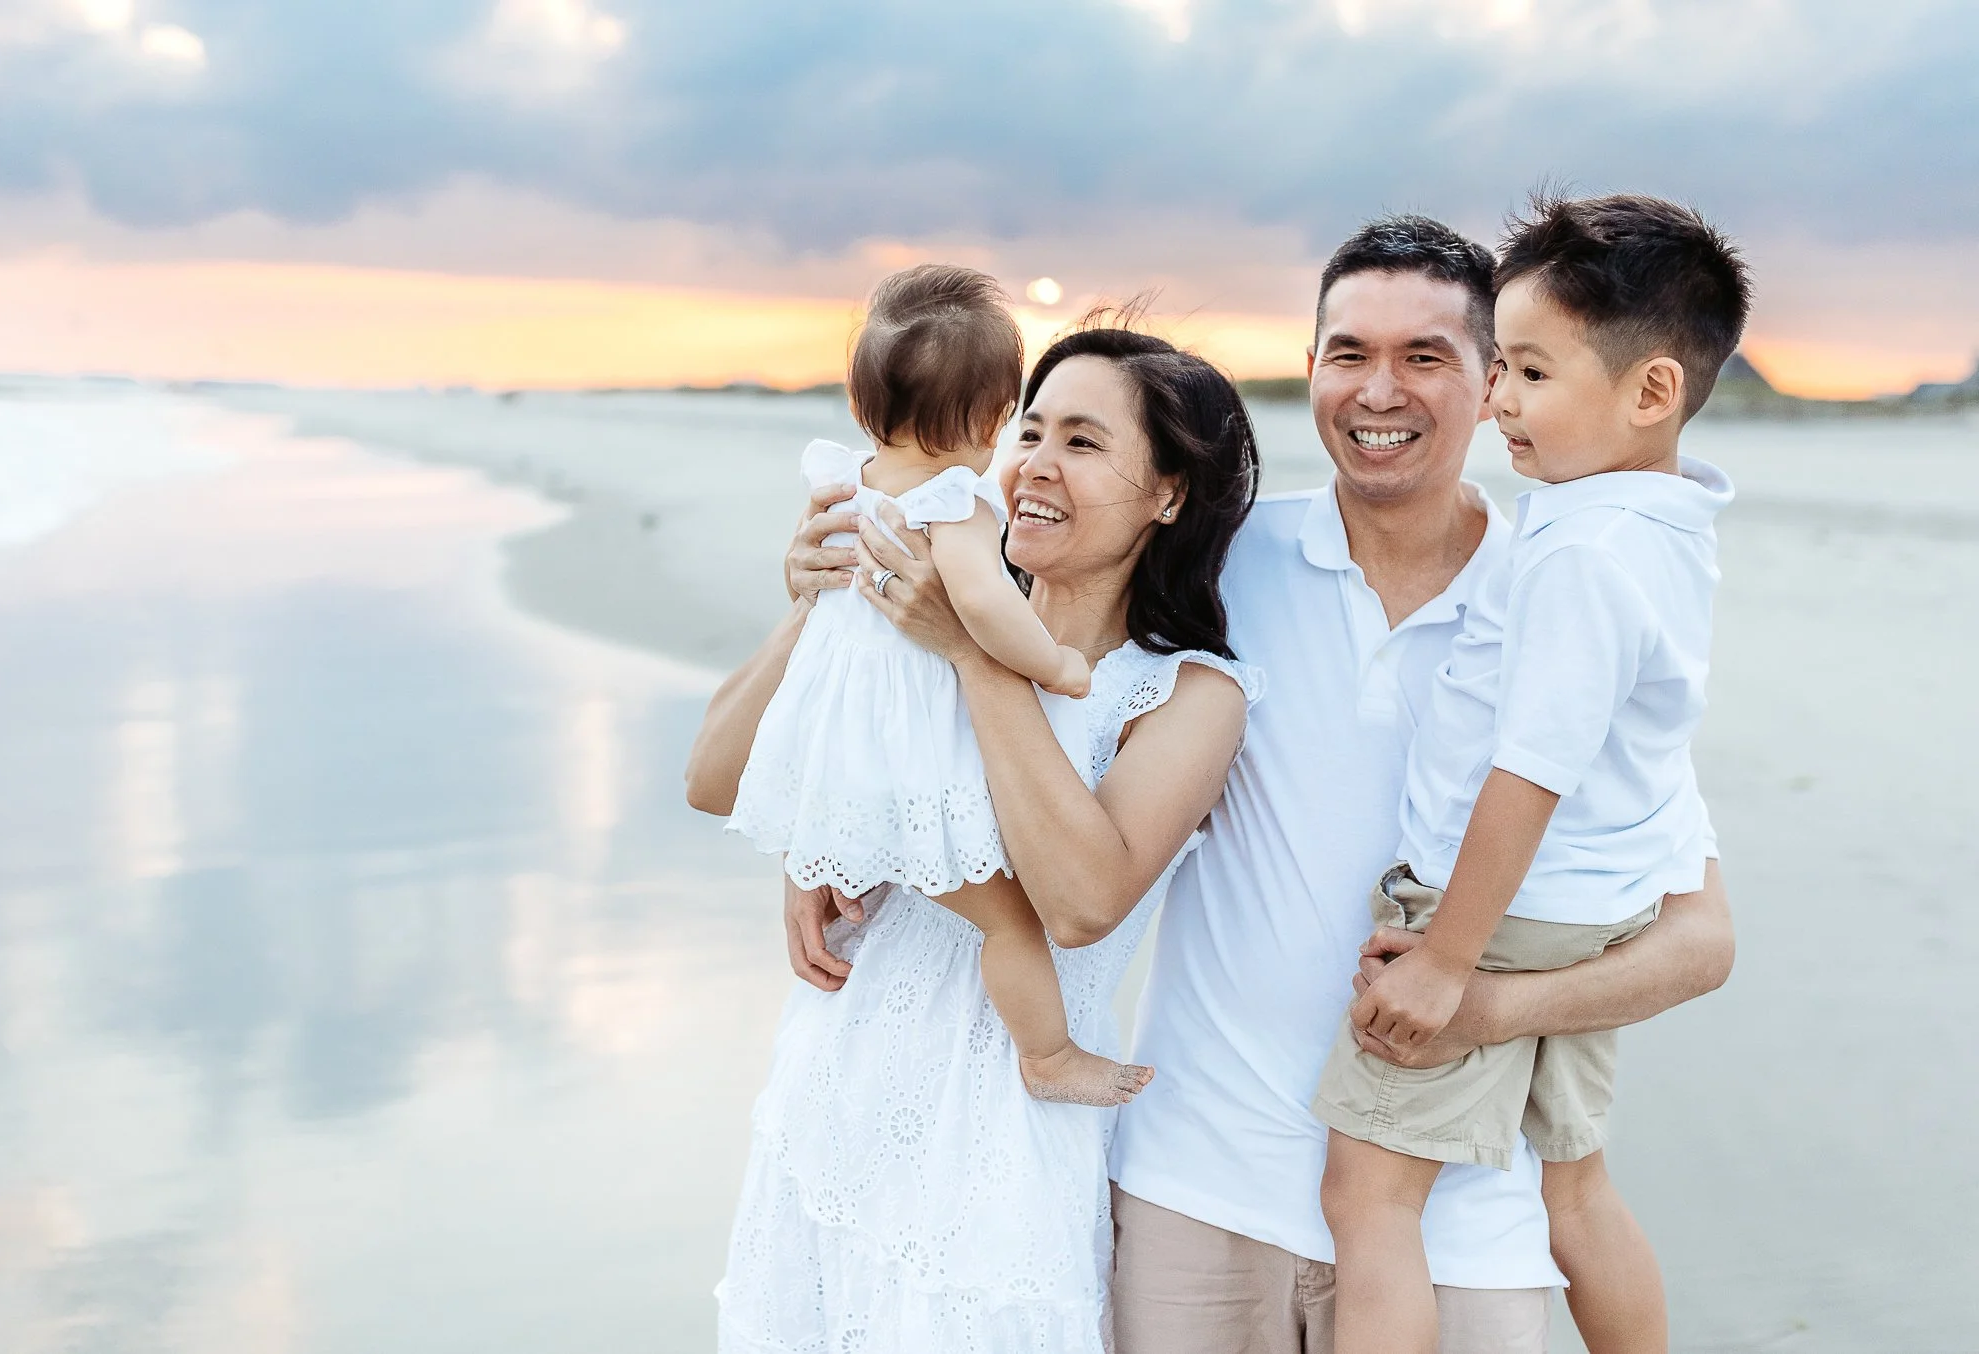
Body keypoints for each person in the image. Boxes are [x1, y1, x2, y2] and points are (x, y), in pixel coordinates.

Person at [1102, 215, 1739, 1354]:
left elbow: (1699, 943)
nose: (1377, 389)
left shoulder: (1561, 583)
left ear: (1486, 376)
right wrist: (845, 846)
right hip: (1195, 1189)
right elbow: (1031, 635)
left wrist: (1481, 1000)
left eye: (1425, 356)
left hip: (1470, 1237)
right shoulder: (1215, 563)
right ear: (1310, 367)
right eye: (1347, 353)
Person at [688, 321, 1264, 1352]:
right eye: (1029, 430)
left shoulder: (1185, 694)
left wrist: (970, 655)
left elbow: (1080, 904)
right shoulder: (910, 613)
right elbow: (713, 777)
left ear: (1169, 494)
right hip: (833, 1101)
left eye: (1083, 443)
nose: (1036, 462)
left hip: (996, 1145)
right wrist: (815, 610)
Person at [1313, 195, 1750, 1354]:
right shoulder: (1665, 522)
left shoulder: (1579, 554)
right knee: (1576, 1188)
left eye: (1531, 372)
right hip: (1599, 908)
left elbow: (1528, 770)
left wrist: (1444, 962)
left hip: (1500, 915)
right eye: (1499, 365)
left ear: (1648, 392)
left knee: (1368, 1199)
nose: (1498, 398)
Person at [725, 263, 1150, 1107]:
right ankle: (1048, 1056)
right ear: (994, 418)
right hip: (910, 777)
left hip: (836, 764)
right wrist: (1057, 666)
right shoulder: (954, 502)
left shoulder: (844, 489)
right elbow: (986, 606)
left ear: (862, 406)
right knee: (1007, 921)